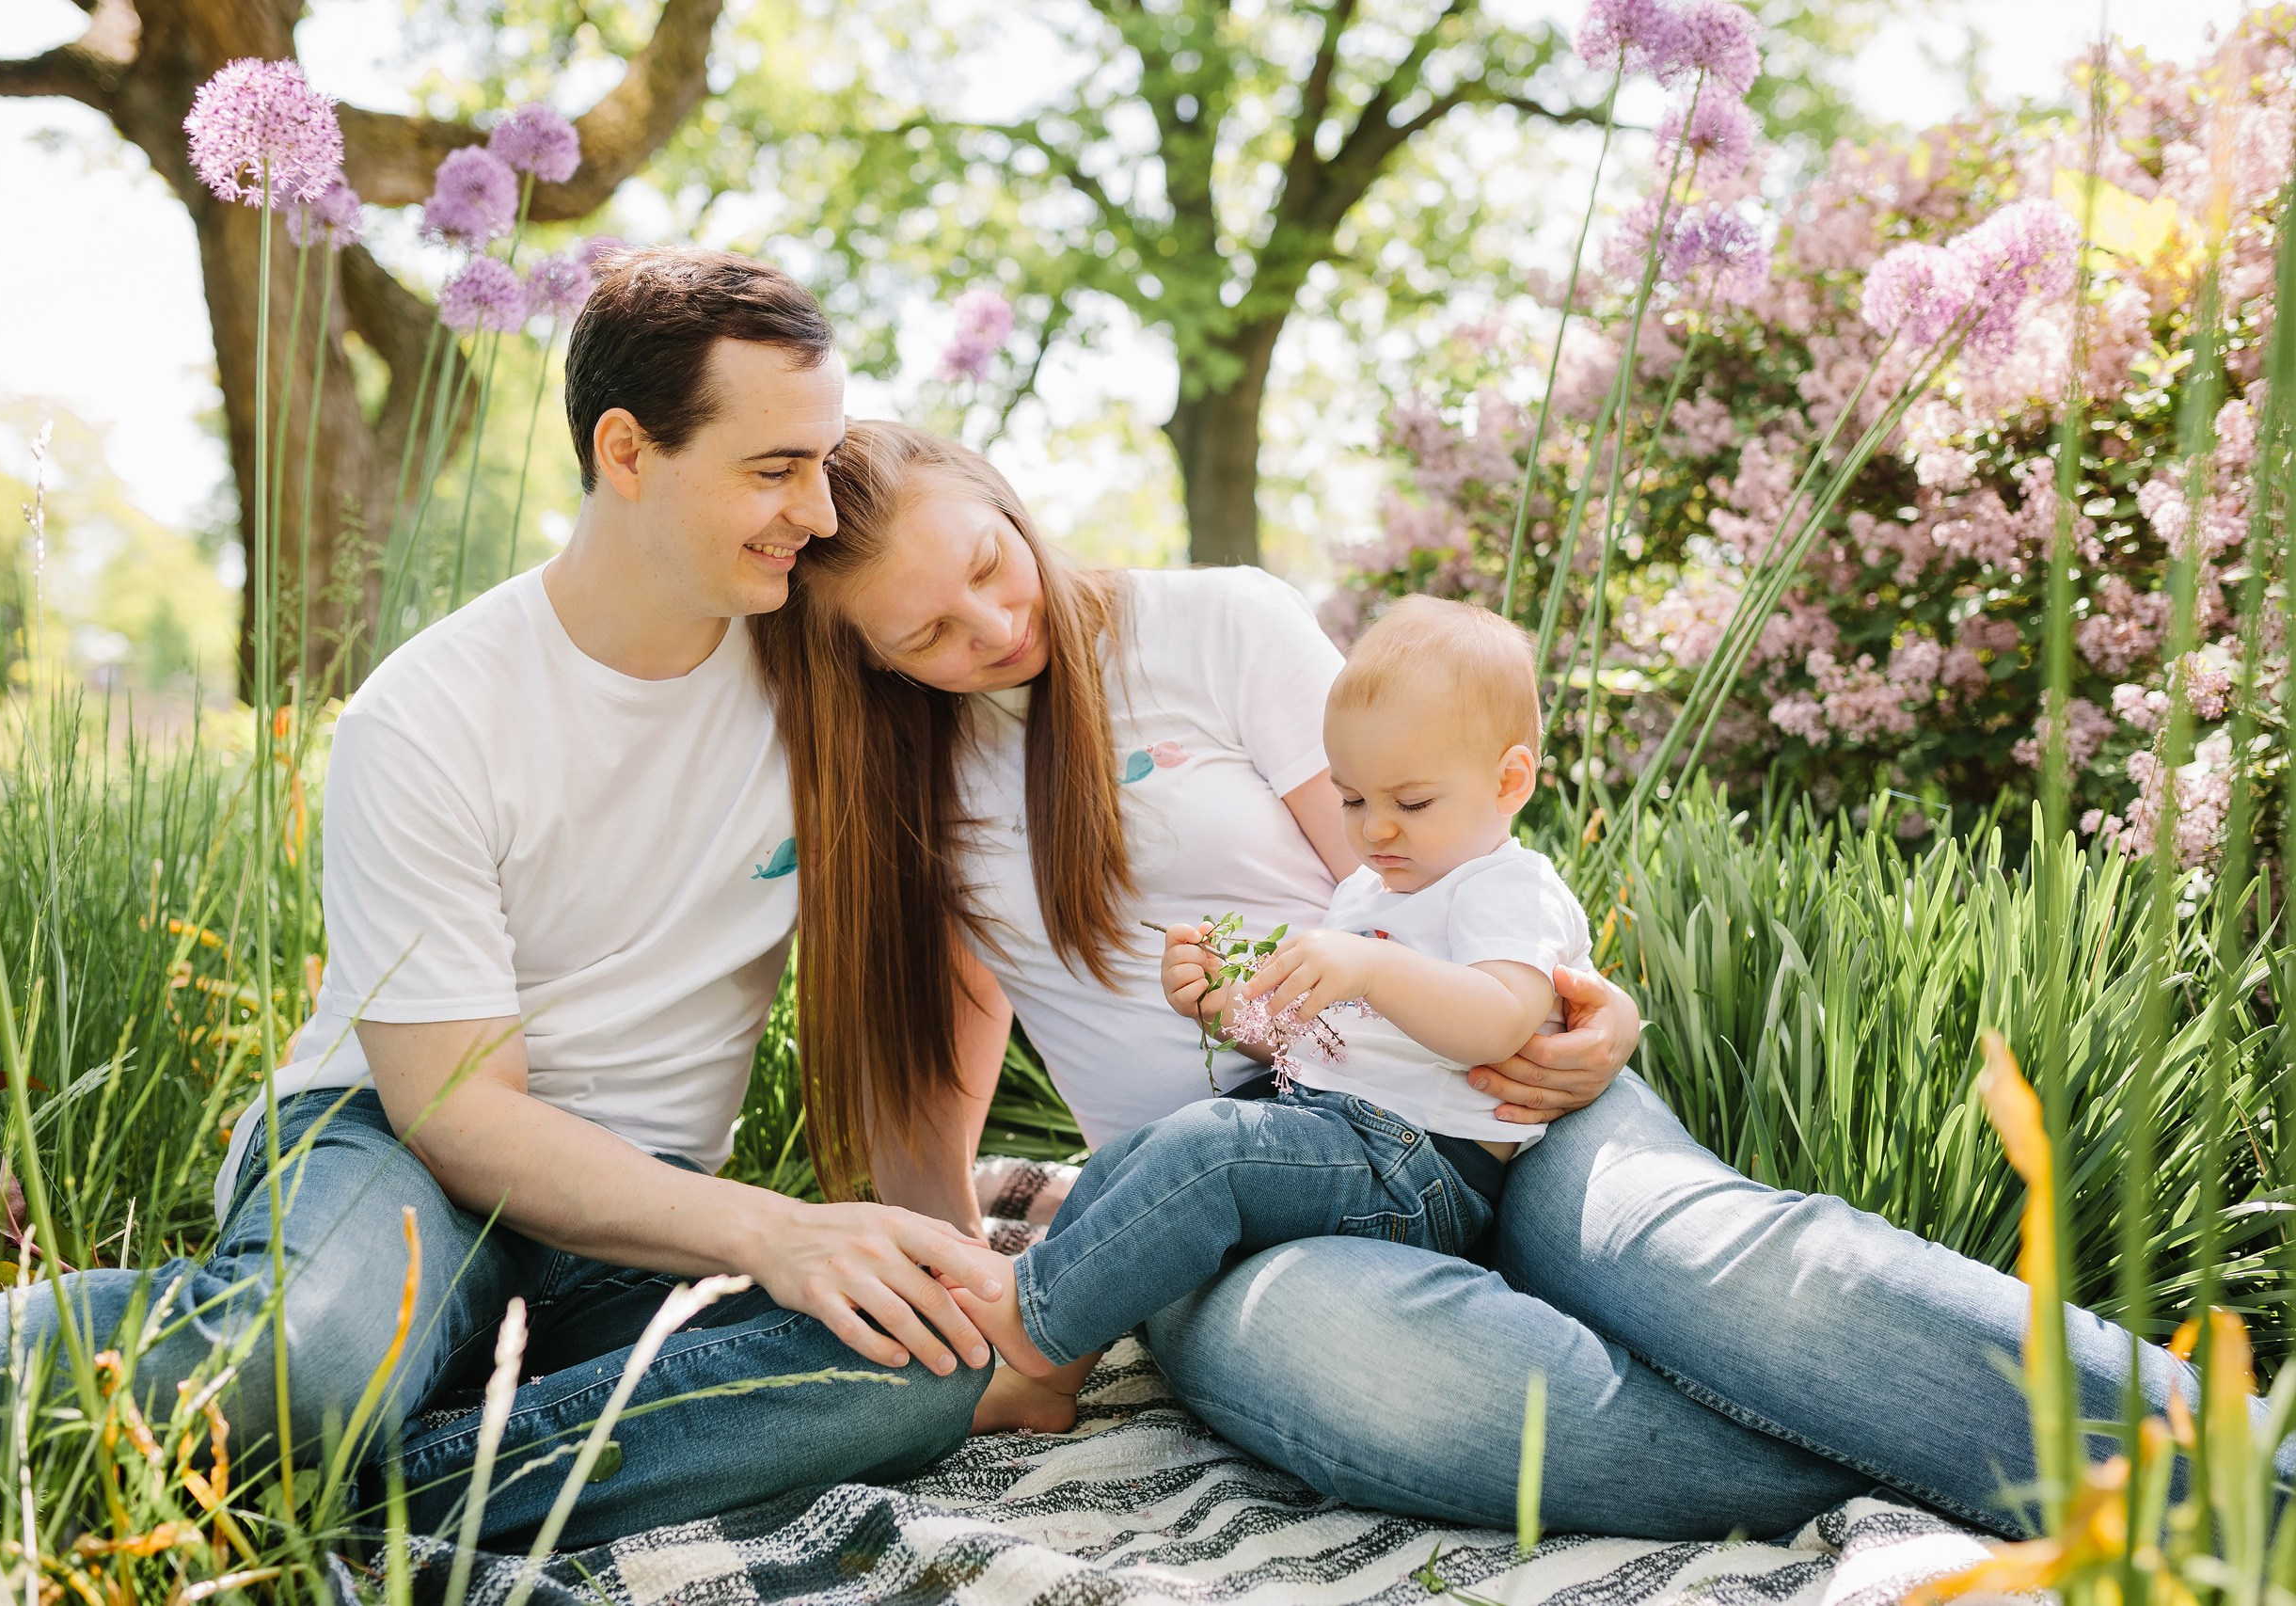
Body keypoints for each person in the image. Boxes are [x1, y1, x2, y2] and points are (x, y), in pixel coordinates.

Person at [751, 419, 2288, 1541]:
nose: (995, 621)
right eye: (930, 633)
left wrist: (1576, 999)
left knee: (1714, 1261)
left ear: (1007, 497)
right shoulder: (906, 792)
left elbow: (1429, 858)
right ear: (868, 663)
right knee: (1380, 1365)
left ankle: (2245, 1486)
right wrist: (946, 1257)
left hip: (1486, 1091)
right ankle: (2047, 1481)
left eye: (989, 562)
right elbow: (934, 1057)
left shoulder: (1215, 622)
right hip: (1238, 1206)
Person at [0, 250, 1015, 1551]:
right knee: (303, 1362)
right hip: (401, 1146)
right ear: (628, 450)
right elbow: (462, 1110)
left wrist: (939, 1247)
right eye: (774, 468)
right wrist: (775, 1230)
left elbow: (959, 923)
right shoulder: (427, 716)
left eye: (822, 461)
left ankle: (339, 1486)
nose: (816, 512)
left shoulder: (816, 673)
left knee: (923, 1357)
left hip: (643, 1210)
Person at [953, 597, 1591, 1422]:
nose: (1376, 829)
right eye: (1354, 800)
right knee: (1142, 1153)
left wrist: (1371, 965)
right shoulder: (1371, 889)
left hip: (1424, 1166)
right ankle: (1052, 1353)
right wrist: (1223, 1011)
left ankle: (1033, 1340)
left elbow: (1501, 1018)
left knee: (1210, 1156)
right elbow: (1316, 1041)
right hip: (1336, 1122)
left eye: (1413, 802)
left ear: (1510, 780)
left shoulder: (1506, 886)